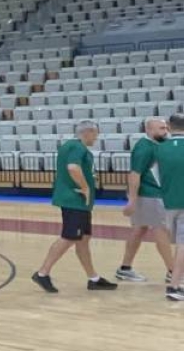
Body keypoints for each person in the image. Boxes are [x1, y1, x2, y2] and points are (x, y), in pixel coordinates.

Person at [32, 120, 118, 293]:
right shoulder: (77, 147)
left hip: (79, 202)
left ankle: (93, 279)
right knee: (69, 237)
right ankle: (42, 273)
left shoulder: (72, 146)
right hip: (74, 200)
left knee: (83, 239)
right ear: (87, 132)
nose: (96, 137)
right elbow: (73, 168)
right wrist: (85, 187)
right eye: (95, 134)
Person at [116, 117, 173, 282]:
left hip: (153, 194)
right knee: (161, 230)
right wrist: (132, 200)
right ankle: (173, 271)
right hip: (149, 194)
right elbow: (135, 174)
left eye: (165, 128)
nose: (165, 131)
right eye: (161, 128)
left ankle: (125, 268)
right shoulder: (144, 147)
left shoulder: (159, 144)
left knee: (140, 229)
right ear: (149, 130)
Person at [158, 114, 184, 301]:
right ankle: (174, 286)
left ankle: (176, 282)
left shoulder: (159, 148)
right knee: (182, 245)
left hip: (167, 202)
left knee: (179, 244)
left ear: (168, 126)